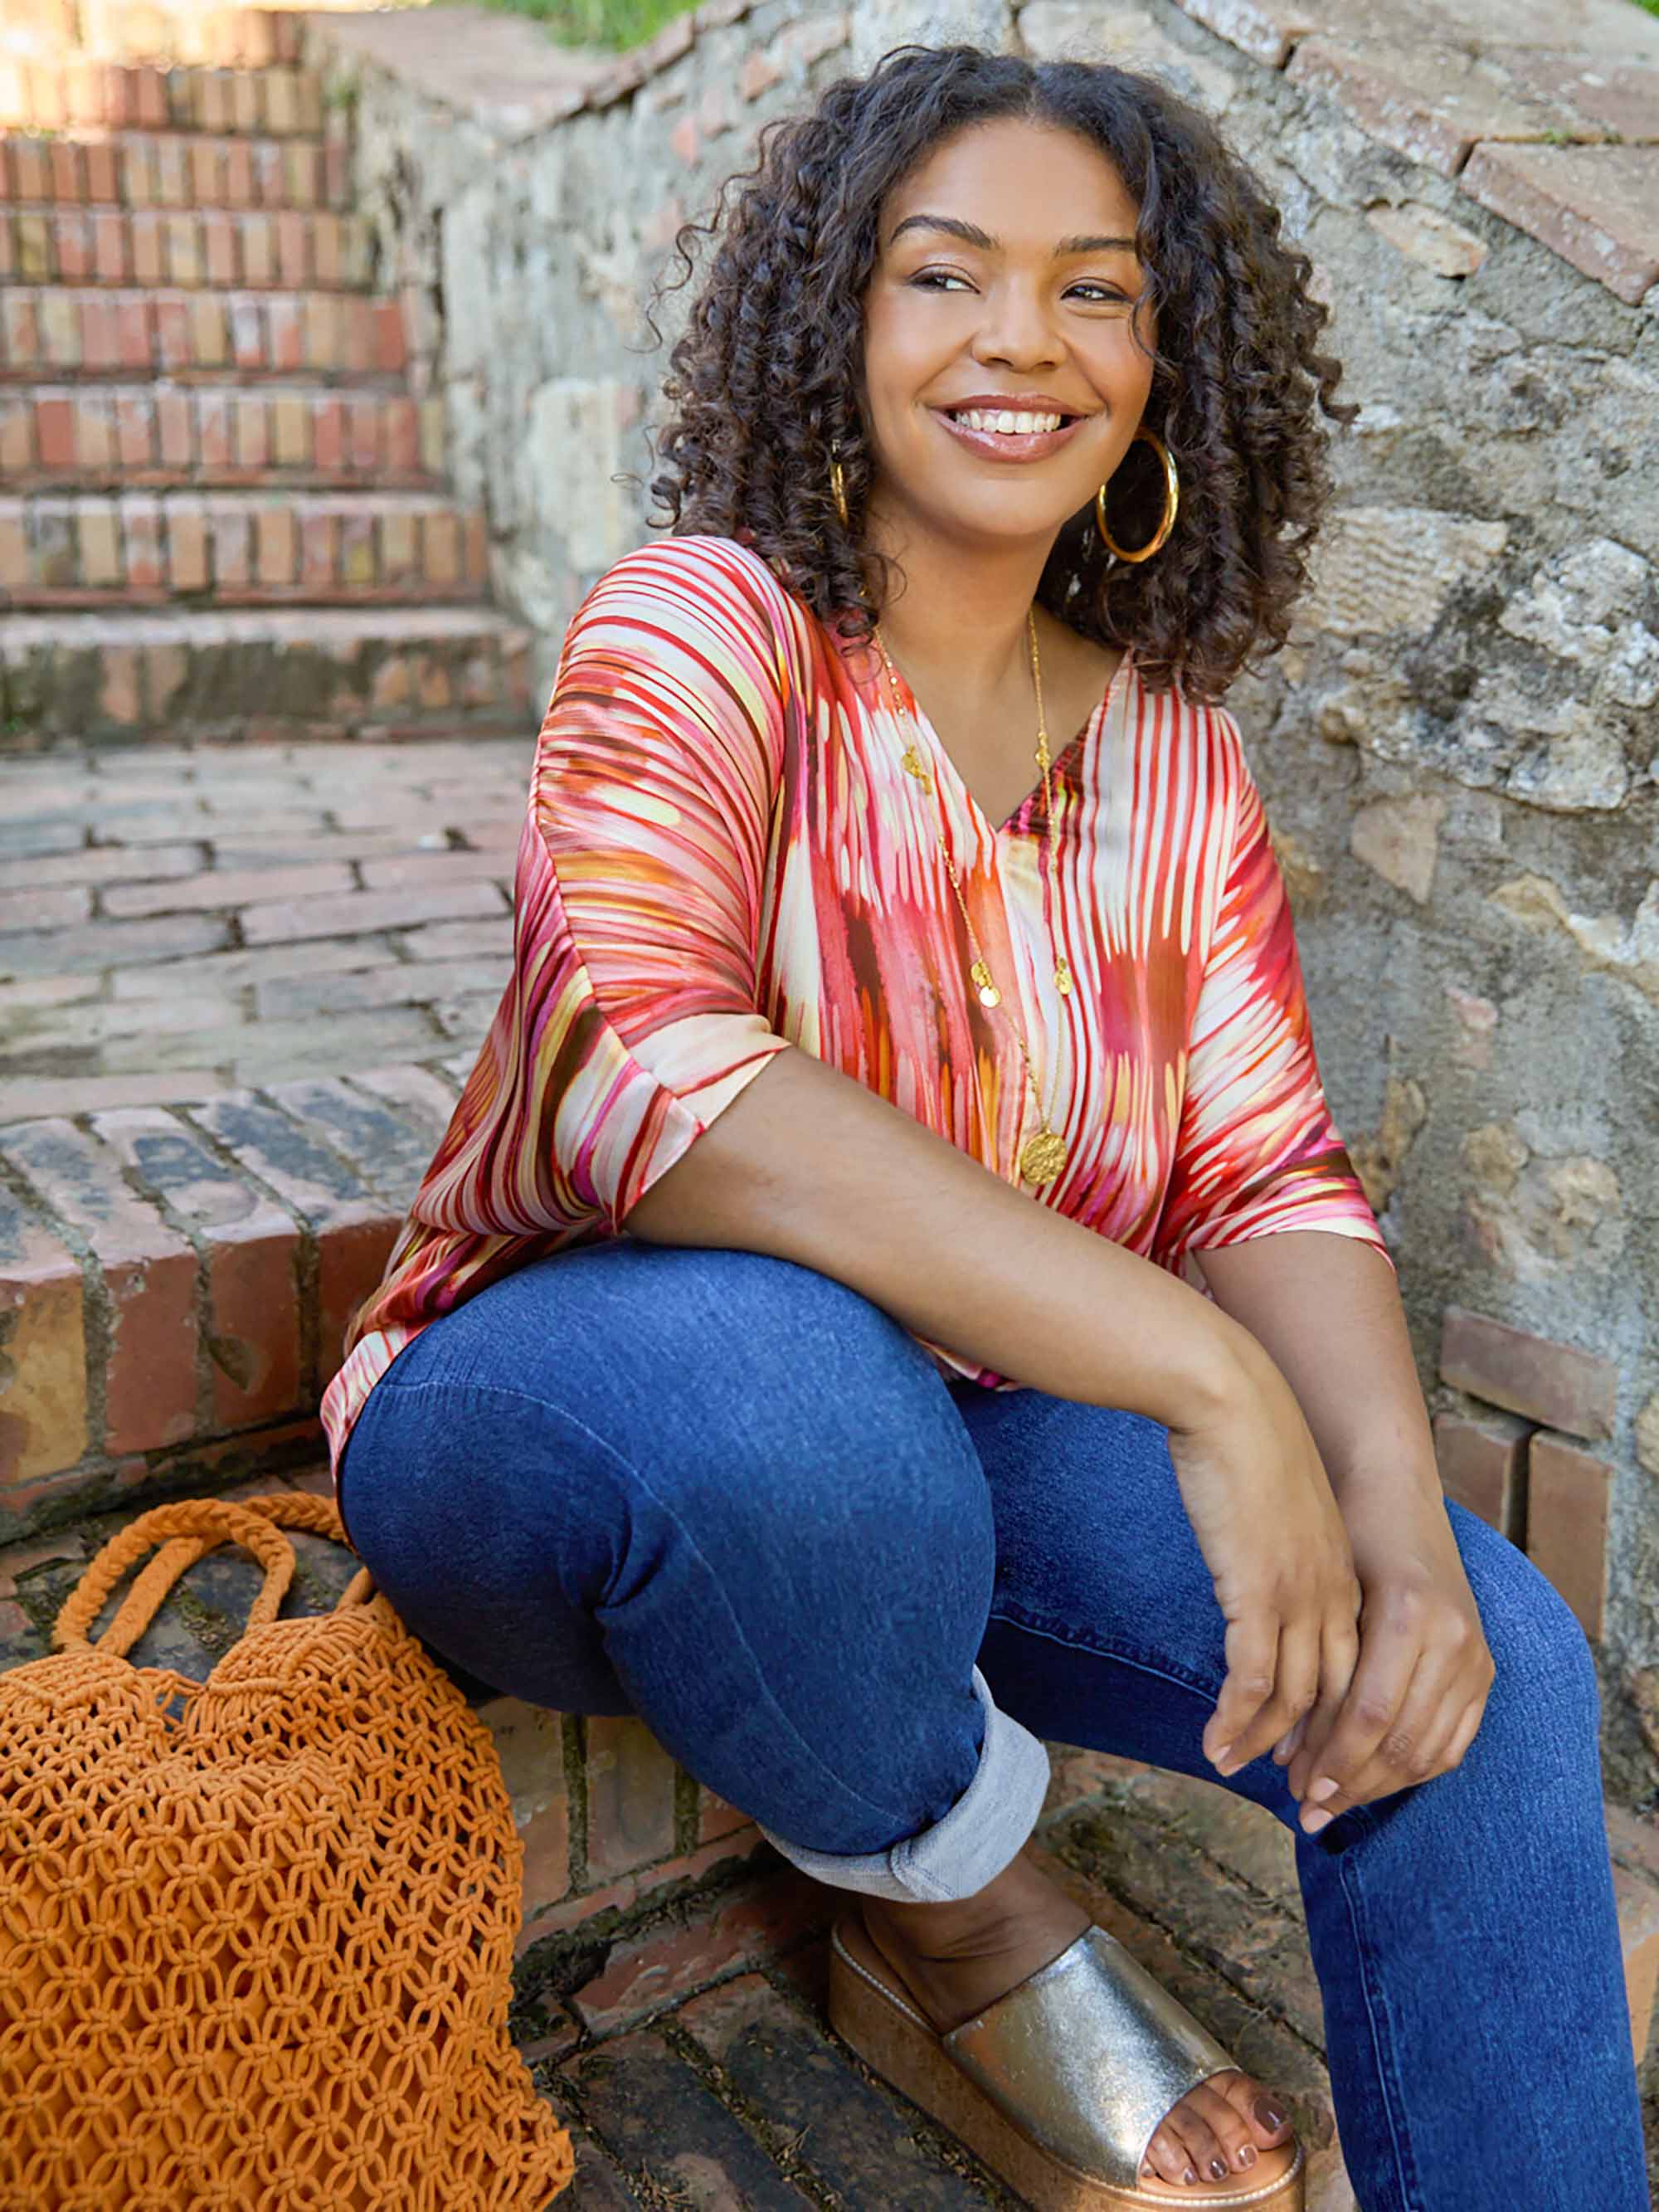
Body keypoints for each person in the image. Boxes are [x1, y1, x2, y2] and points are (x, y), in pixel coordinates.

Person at [322, 41, 1648, 2211]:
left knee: (1485, 1679)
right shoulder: (703, 628)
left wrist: (1395, 1520)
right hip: (581, 1422)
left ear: (1167, 362)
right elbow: (645, 1075)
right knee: (801, 1393)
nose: (1022, 338)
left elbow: (1268, 1170)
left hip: (963, 1463)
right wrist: (1203, 1372)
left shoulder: (1177, 772)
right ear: (840, 319)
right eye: (945, 276)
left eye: (1096, 292)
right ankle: (964, 1903)